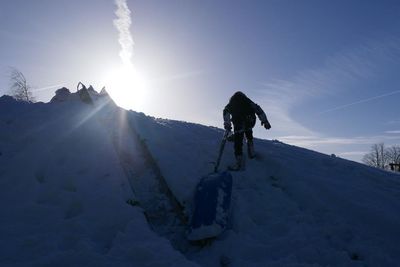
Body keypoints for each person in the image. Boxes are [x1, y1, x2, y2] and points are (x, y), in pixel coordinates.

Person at [223, 91, 271, 171]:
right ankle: (251, 153)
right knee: (249, 134)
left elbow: (226, 111)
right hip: (250, 121)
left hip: (238, 122)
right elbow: (258, 109)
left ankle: (239, 163)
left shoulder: (232, 103)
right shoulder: (248, 101)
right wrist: (265, 121)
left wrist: (227, 123)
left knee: (238, 141)